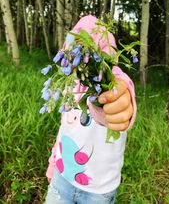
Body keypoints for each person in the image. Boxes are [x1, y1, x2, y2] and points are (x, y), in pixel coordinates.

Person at [44, 15, 137, 204]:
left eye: (83, 47)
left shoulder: (113, 79)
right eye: (73, 47)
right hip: (62, 179)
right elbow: (65, 129)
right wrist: (53, 164)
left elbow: (116, 100)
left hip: (98, 192)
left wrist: (114, 108)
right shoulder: (70, 84)